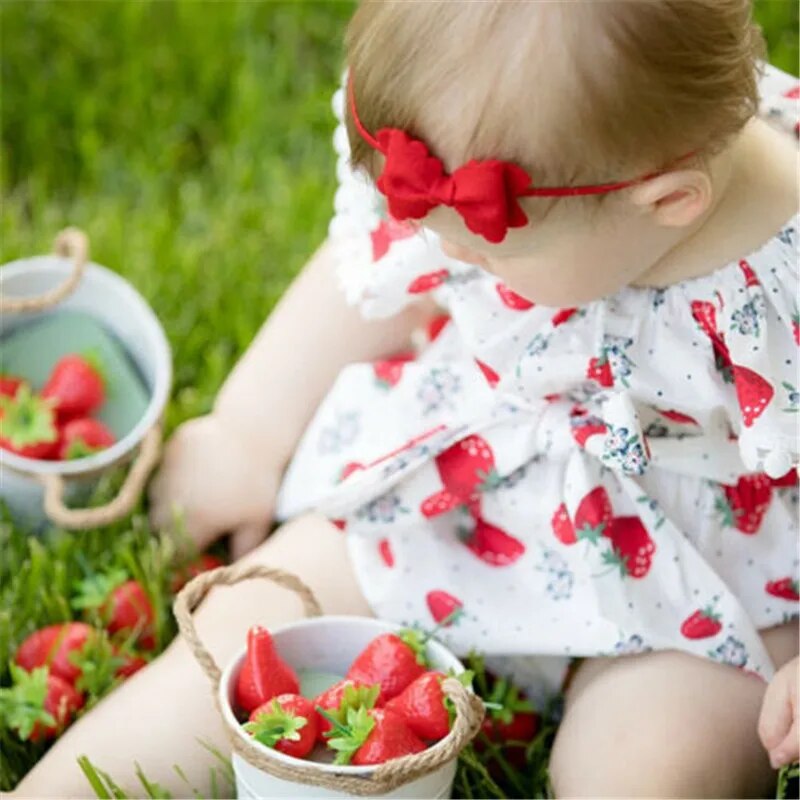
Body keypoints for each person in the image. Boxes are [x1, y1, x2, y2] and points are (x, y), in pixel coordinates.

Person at [15, 1, 799, 797]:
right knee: (254, 621)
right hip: (467, 481)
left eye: (477, 243)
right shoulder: (550, 147)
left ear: (670, 202)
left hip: (710, 575)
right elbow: (378, 289)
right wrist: (247, 430)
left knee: (653, 770)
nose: (436, 242)